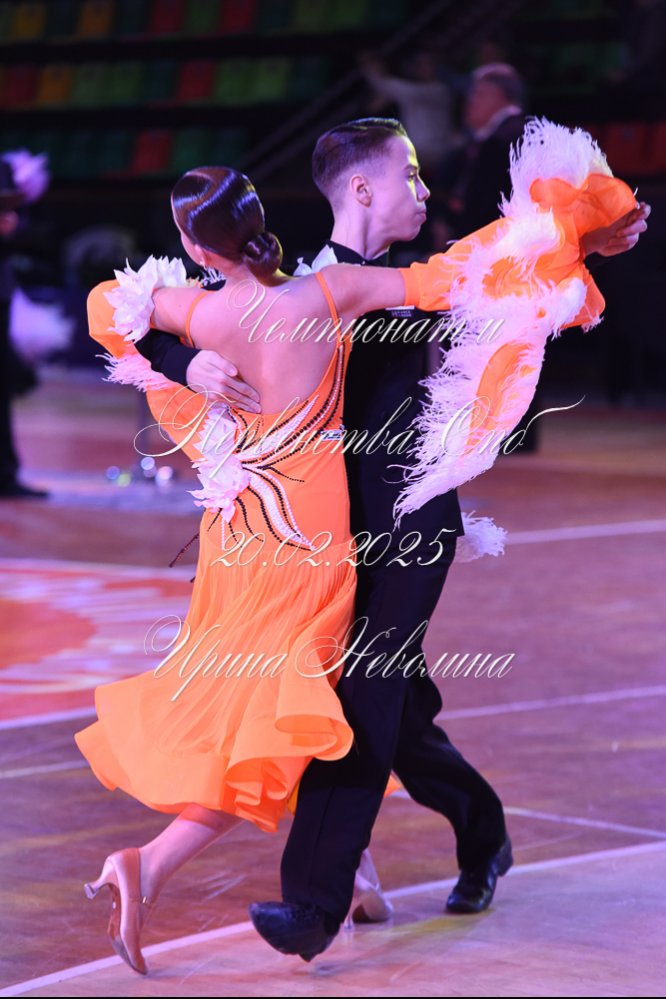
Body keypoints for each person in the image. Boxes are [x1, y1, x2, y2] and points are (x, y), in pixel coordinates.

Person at [76, 126, 648, 972]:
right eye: (408, 176)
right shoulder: (316, 284)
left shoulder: (398, 279)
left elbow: (496, 272)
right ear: (362, 189)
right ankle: (471, 834)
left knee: (362, 697)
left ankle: (315, 899)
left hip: (409, 521)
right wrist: (179, 361)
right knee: (393, 715)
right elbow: (131, 307)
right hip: (322, 528)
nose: (425, 190)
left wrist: (577, 235)